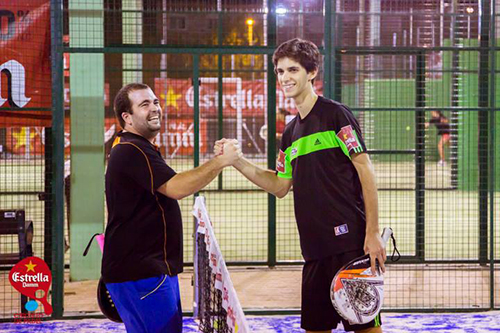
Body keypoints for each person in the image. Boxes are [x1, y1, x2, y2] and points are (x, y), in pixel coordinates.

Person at [216, 38, 386, 333]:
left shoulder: (336, 116)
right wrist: (238, 162)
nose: (285, 78)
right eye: (280, 71)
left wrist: (372, 233)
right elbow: (281, 186)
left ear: (311, 73)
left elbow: (365, 170)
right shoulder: (290, 134)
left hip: (349, 245)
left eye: (292, 70)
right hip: (314, 251)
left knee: (365, 329)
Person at [101, 83, 241, 333]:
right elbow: (177, 187)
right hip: (142, 274)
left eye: (155, 102)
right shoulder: (132, 150)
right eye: (144, 105)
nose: (155, 108)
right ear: (127, 117)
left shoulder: (135, 147)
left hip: (142, 271)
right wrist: (221, 162)